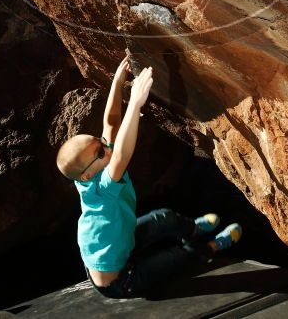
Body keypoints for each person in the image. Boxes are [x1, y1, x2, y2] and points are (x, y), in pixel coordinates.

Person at [56, 54, 242, 298]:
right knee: (177, 257)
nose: (107, 146)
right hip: (119, 280)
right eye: (101, 151)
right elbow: (122, 154)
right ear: (87, 173)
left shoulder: (91, 169)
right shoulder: (101, 190)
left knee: (163, 217)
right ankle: (212, 246)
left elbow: (110, 124)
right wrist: (134, 105)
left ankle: (193, 228)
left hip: (121, 241)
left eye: (101, 143)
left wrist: (117, 82)